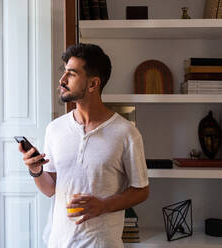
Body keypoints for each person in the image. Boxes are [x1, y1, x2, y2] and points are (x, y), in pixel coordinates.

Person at [18, 43, 149, 248]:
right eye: (64, 73)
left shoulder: (126, 133)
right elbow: (51, 188)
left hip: (102, 243)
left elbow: (141, 190)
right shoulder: (55, 129)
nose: (62, 80)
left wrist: (104, 206)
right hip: (58, 242)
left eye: (71, 74)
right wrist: (35, 170)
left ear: (93, 84)